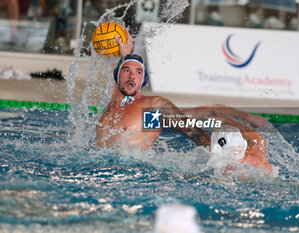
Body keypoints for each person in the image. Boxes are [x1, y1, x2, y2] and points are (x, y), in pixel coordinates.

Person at [96, 28, 273, 174]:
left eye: (138, 72)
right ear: (118, 76)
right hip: (101, 170)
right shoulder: (115, 104)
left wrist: (225, 159)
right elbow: (122, 84)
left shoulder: (152, 107)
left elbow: (193, 131)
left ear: (143, 81)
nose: (132, 76)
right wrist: (125, 54)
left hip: (130, 174)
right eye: (126, 71)